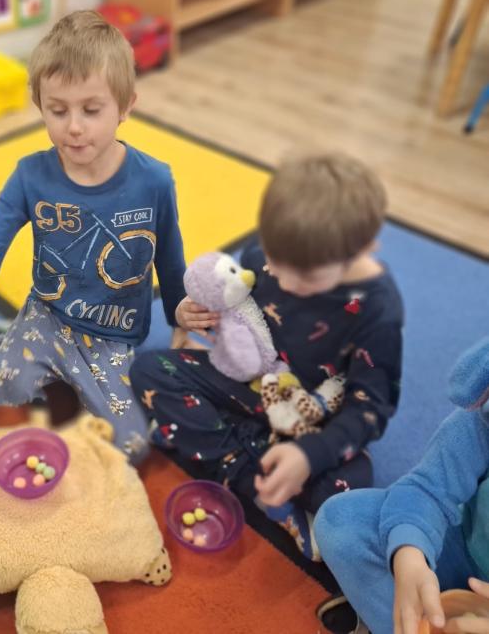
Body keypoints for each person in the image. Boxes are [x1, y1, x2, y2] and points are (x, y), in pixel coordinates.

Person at [129, 152, 404, 559]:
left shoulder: (378, 310)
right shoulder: (265, 254)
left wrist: (307, 456)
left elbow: (370, 408)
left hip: (313, 413)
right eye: (276, 263)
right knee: (151, 370)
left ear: (361, 249)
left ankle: (230, 449)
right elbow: (234, 302)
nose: (284, 282)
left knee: (348, 491)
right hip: (254, 383)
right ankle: (254, 476)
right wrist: (188, 314)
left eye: (306, 277)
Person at [0, 10, 187, 462]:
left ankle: (67, 378)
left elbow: (171, 259)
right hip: (47, 316)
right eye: (57, 111)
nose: (74, 126)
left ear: (125, 106)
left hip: (113, 336)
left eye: (91, 110)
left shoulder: (154, 180)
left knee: (133, 448)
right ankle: (11, 339)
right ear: (40, 105)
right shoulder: (30, 175)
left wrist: (181, 324)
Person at [315, 337, 489, 634]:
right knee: (341, 521)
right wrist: (409, 553)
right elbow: (428, 489)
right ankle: (401, 615)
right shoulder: (481, 420)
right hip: (463, 551)